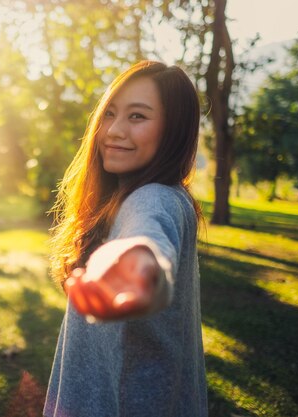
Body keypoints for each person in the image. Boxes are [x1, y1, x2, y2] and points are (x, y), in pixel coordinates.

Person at [44, 60, 208, 417]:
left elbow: (149, 237)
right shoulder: (134, 197)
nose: (113, 131)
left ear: (173, 131)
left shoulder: (155, 198)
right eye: (110, 114)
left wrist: (141, 268)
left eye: (137, 117)